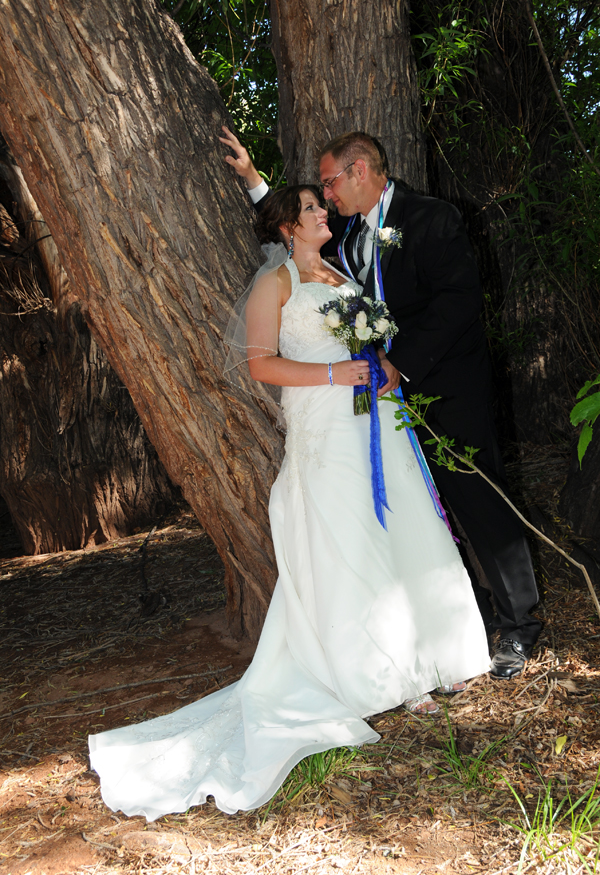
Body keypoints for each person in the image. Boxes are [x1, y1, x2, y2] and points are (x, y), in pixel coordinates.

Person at [88, 184, 490, 821]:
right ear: (287, 227)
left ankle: (435, 654)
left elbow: (365, 340)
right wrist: (334, 373)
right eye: (310, 209)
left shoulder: (341, 272)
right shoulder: (274, 285)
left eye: (320, 205)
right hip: (324, 424)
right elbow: (261, 365)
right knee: (352, 539)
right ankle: (390, 675)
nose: (323, 212)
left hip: (373, 419)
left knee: (403, 526)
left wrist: (378, 362)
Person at [220, 126, 542, 679]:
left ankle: (519, 624)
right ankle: (464, 617)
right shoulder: (343, 234)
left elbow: (458, 302)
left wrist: (401, 365)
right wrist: (252, 178)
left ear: (360, 171)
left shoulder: (432, 217)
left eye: (329, 184)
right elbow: (289, 229)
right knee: (422, 515)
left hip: (444, 388)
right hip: (377, 407)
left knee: (477, 498)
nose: (326, 198)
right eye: (320, 194)